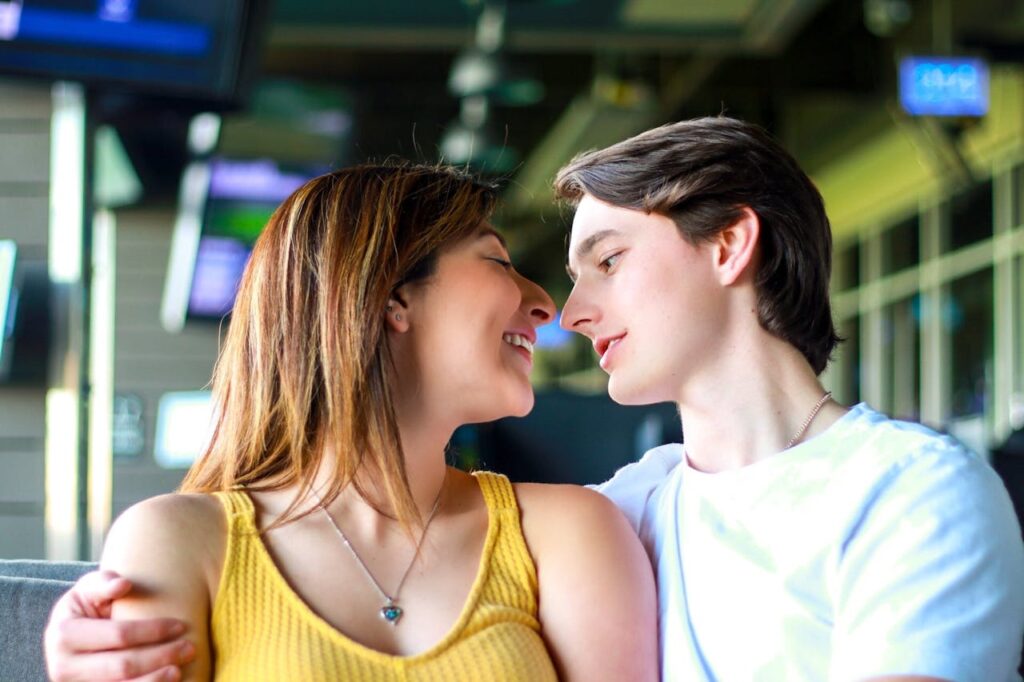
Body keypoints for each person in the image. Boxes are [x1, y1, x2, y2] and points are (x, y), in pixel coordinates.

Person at [47, 117, 1024, 680]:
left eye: (608, 260)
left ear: (728, 245)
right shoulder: (626, 509)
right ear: (385, 303)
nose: (568, 306)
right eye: (543, 267)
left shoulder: (909, 495)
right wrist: (70, 636)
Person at [43, 163, 657, 682]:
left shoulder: (568, 532)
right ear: (390, 297)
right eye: (497, 261)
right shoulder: (178, 540)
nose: (546, 304)